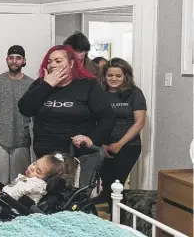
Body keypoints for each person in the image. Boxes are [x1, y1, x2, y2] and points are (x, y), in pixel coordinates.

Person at [17, 45, 115, 187]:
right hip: (44, 158)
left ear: (71, 64)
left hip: (76, 156)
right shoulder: (40, 84)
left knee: (71, 198)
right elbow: (25, 109)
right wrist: (47, 85)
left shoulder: (87, 85)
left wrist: (92, 138)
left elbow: (107, 118)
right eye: (49, 62)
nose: (53, 65)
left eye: (58, 61)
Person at [94, 58, 147, 209]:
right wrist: (101, 144)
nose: (114, 79)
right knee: (107, 184)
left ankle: (119, 221)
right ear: (104, 76)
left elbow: (139, 123)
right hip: (102, 147)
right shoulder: (99, 93)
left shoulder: (135, 93)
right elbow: (94, 119)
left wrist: (119, 144)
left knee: (116, 184)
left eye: (118, 76)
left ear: (125, 76)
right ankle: (110, 216)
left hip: (128, 146)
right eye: (110, 75)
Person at [0, 45, 34, 184]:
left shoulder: (31, 84)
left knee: (20, 185)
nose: (14, 61)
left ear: (24, 61)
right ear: (6, 60)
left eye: (18, 58)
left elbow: (37, 113)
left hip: (22, 141)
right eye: (11, 58)